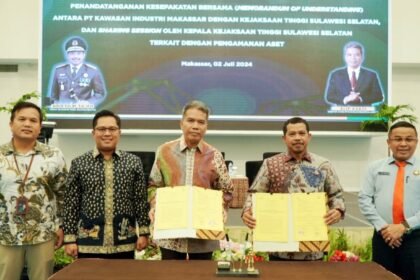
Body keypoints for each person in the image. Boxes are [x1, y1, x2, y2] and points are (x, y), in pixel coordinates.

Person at [242, 117, 345, 260]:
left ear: (309, 137)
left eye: (302, 133)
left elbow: (337, 195)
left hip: (312, 248)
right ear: (284, 138)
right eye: (292, 134)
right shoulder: (270, 164)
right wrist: (247, 211)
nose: (297, 138)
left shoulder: (323, 165)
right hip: (279, 248)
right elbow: (254, 194)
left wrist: (338, 210)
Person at [148, 100, 233, 260]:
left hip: (204, 232)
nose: (195, 126)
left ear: (206, 126)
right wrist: (155, 205)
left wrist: (220, 210)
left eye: (201, 122)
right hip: (170, 232)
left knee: (201, 275)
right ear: (181, 123)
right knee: (170, 275)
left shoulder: (215, 155)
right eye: (191, 120)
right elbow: (154, 185)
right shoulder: (164, 151)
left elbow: (226, 191)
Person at [63, 110, 149, 259]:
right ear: (93, 133)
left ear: (119, 132)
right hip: (89, 243)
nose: (107, 133)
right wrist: (69, 239)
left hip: (124, 242)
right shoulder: (79, 163)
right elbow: (71, 203)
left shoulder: (133, 162)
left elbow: (140, 200)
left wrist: (144, 233)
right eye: (102, 129)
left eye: (112, 129)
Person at [0, 102, 68, 280]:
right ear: (11, 124)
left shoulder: (53, 155)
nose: (27, 124)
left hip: (43, 233)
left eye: (33, 120)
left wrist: (61, 226)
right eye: (22, 119)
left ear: (40, 127)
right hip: (5, 234)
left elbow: (62, 194)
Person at [359, 121, 420, 279]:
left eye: (409, 139)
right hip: (383, 237)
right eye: (397, 139)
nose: (403, 143)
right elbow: (365, 199)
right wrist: (384, 228)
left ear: (416, 141)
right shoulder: (375, 168)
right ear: (389, 142)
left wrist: (403, 227)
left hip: (415, 239)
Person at [48, 36, 107, 106]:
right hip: (63, 112)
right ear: (67, 55)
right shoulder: (58, 70)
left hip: (83, 113)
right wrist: (54, 108)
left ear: (84, 55)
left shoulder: (93, 72)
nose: (75, 56)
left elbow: (100, 93)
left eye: (79, 53)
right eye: (72, 53)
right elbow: (53, 95)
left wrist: (88, 103)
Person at [324, 41, 384, 106]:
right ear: (345, 57)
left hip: (365, 114)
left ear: (362, 57)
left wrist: (360, 99)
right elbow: (329, 96)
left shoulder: (371, 75)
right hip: (342, 113)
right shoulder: (336, 75)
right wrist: (346, 99)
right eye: (349, 55)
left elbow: (379, 96)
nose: (353, 58)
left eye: (357, 55)